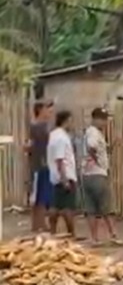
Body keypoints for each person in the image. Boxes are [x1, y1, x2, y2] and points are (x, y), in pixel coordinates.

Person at [83, 107, 123, 246]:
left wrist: (112, 146)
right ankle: (113, 235)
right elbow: (91, 148)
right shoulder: (93, 133)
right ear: (96, 119)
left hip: (88, 174)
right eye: (103, 119)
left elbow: (102, 151)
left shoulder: (93, 133)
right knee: (106, 207)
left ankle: (94, 238)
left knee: (92, 209)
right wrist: (99, 163)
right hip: (97, 174)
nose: (105, 122)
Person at [47, 110, 78, 237]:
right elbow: (60, 159)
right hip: (65, 175)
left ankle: (53, 231)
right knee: (67, 208)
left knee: (55, 205)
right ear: (66, 121)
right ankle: (71, 233)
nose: (72, 123)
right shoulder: (61, 137)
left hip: (55, 176)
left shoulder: (53, 135)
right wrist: (65, 179)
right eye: (71, 120)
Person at [26, 99, 54, 232]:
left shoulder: (42, 126)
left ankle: (39, 223)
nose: (49, 112)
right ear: (40, 110)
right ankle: (39, 223)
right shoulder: (38, 126)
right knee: (39, 195)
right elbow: (30, 145)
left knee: (41, 195)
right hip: (40, 164)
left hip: (43, 163)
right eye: (46, 109)